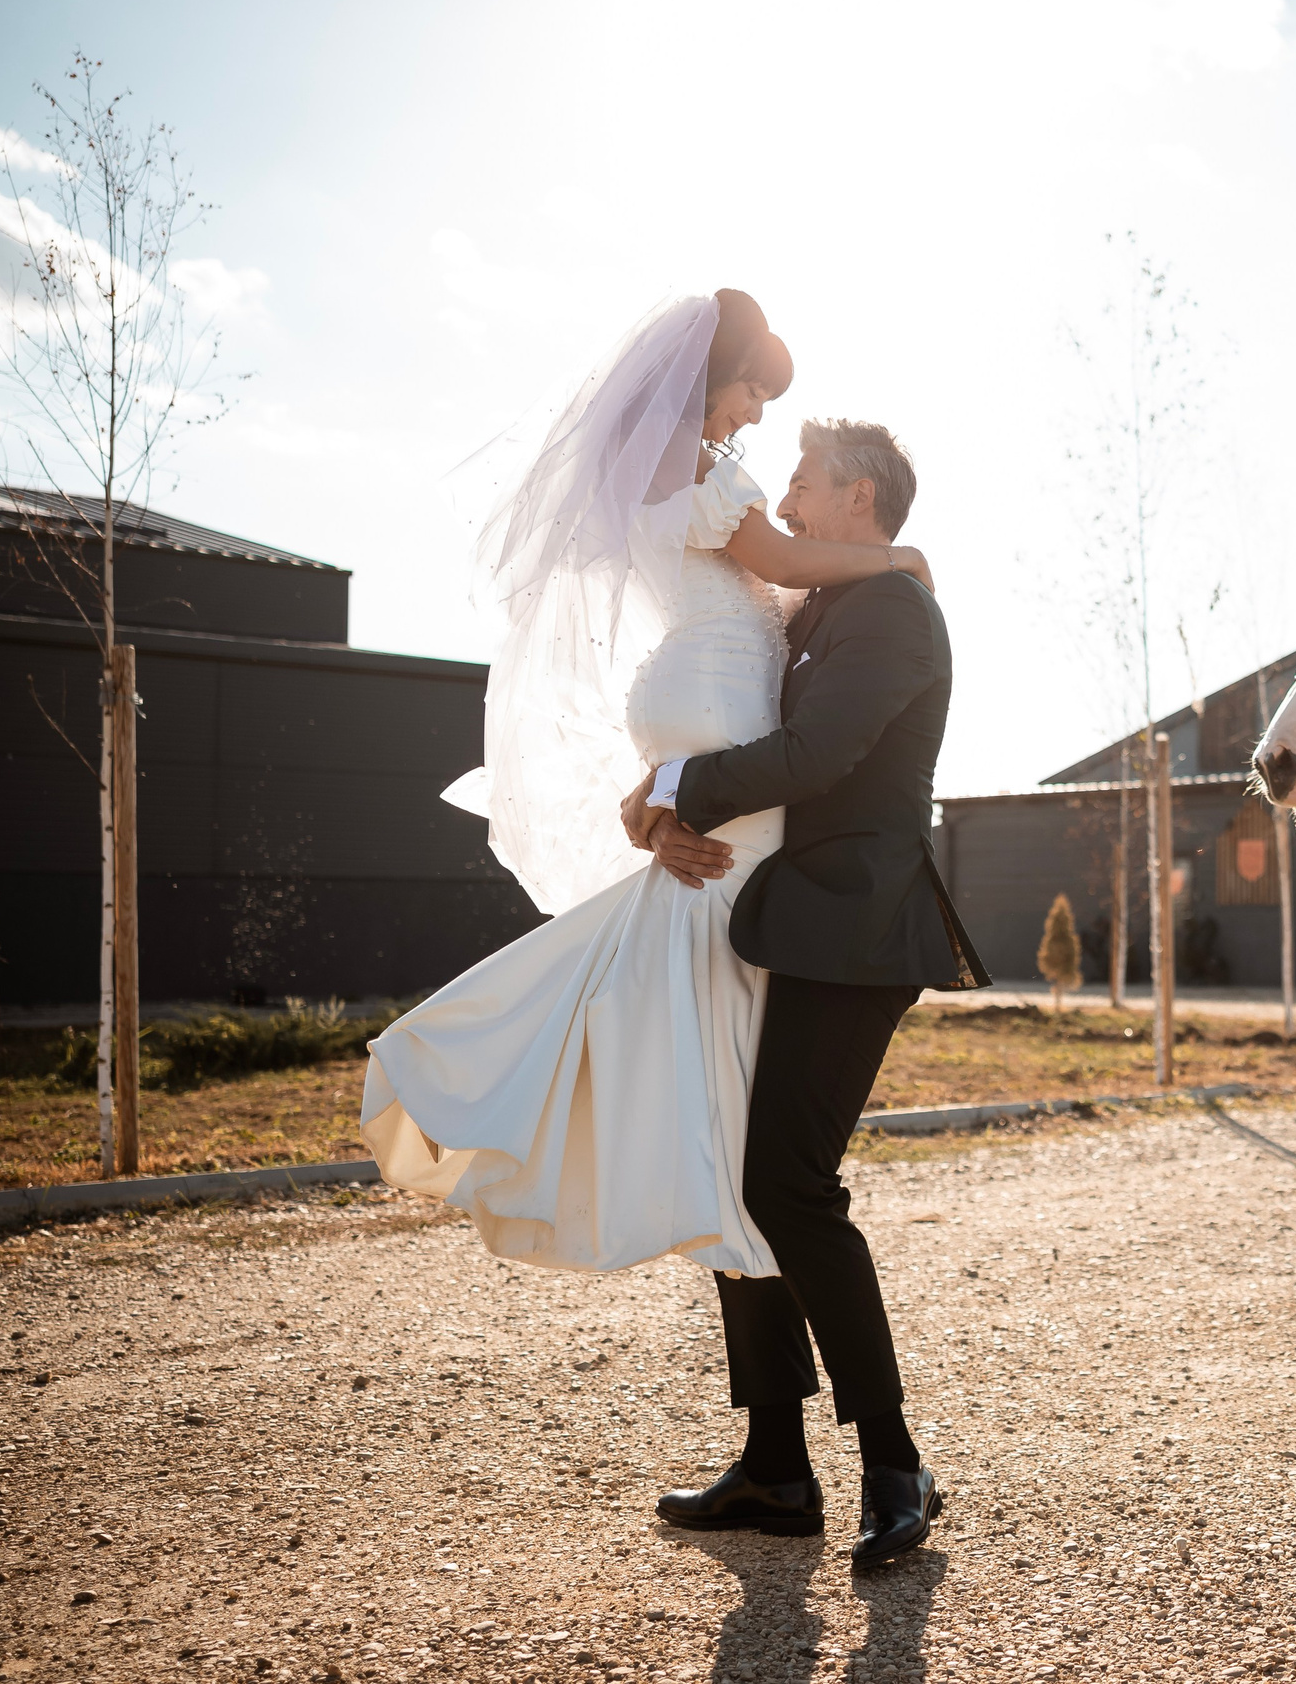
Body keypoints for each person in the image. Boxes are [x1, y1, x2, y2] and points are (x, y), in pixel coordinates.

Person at [359, 293, 981, 1571]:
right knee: (724, 1166)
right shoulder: (805, 604)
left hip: (851, 936)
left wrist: (678, 795)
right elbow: (734, 713)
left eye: (806, 474)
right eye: (771, 439)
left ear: (858, 497)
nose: (783, 482)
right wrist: (655, 808)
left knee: (785, 1186)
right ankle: (774, 1467)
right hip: (762, 909)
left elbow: (812, 751)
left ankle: (896, 1463)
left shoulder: (893, 611)